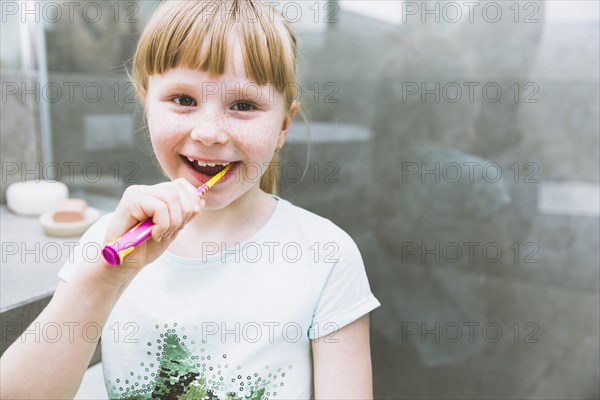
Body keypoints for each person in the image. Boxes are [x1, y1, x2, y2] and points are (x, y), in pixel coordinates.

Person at [0, 1, 380, 399]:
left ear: (283, 126)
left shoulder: (326, 256)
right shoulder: (107, 244)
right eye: (183, 99)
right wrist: (104, 278)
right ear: (146, 102)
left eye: (244, 105)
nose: (209, 132)